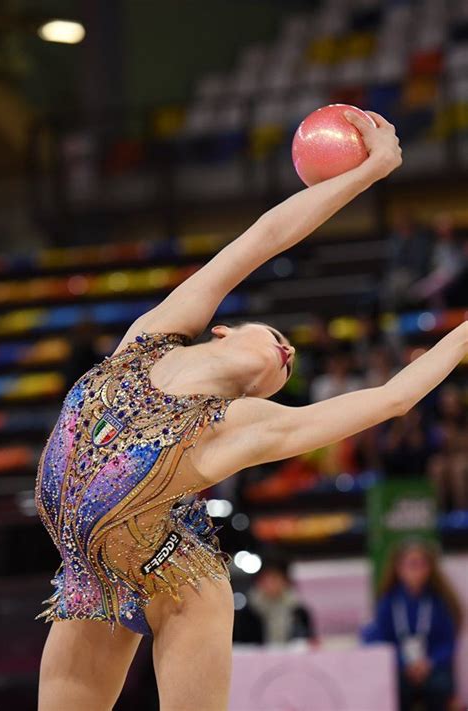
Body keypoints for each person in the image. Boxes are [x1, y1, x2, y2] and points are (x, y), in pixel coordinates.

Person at [34, 110, 468, 711]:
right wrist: (368, 174)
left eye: (288, 370)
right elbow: (264, 238)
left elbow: (392, 398)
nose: (288, 354)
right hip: (92, 577)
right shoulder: (151, 335)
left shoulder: (231, 429)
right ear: (221, 330)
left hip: (177, 580)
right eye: (277, 338)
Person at [362, 540, 463, 711]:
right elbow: (379, 639)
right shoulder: (388, 602)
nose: (416, 570)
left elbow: (448, 642)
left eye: (422, 564)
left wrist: (429, 662)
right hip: (399, 667)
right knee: (396, 688)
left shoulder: (439, 601)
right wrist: (403, 663)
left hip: (432, 666)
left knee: (438, 687)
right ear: (398, 568)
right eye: (411, 564)